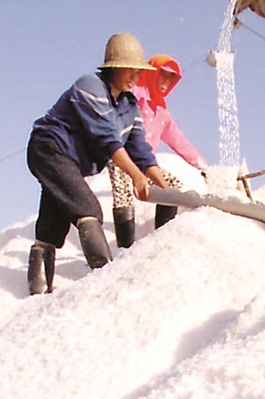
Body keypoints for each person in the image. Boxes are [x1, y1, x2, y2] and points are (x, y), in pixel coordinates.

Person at [26, 33, 169, 295]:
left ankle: (38, 289)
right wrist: (137, 177)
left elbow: (140, 149)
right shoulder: (90, 86)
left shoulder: (129, 105)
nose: (135, 77)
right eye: (129, 69)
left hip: (71, 161)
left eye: (138, 71)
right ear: (113, 66)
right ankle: (105, 280)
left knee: (53, 222)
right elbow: (108, 140)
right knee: (87, 209)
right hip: (49, 149)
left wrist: (163, 186)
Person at [110, 54, 207, 248]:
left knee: (171, 188)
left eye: (170, 79)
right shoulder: (134, 94)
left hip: (146, 163)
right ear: (151, 73)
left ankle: (160, 240)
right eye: (162, 75)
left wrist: (203, 166)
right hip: (121, 155)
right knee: (122, 192)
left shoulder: (161, 112)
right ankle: (125, 247)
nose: (165, 82)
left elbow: (179, 141)